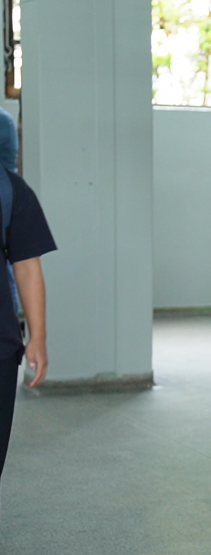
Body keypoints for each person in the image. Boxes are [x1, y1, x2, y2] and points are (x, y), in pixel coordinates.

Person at [0, 105, 56, 486]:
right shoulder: (10, 187)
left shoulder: (10, 190)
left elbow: (26, 263)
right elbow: (26, 264)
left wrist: (38, 336)